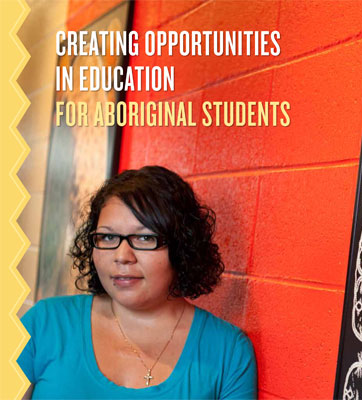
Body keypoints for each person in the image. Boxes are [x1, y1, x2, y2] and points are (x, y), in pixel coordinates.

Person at [18, 165, 257, 399]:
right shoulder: (44, 324)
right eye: (108, 236)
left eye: (144, 237)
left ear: (182, 248)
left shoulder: (228, 352)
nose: (122, 256)